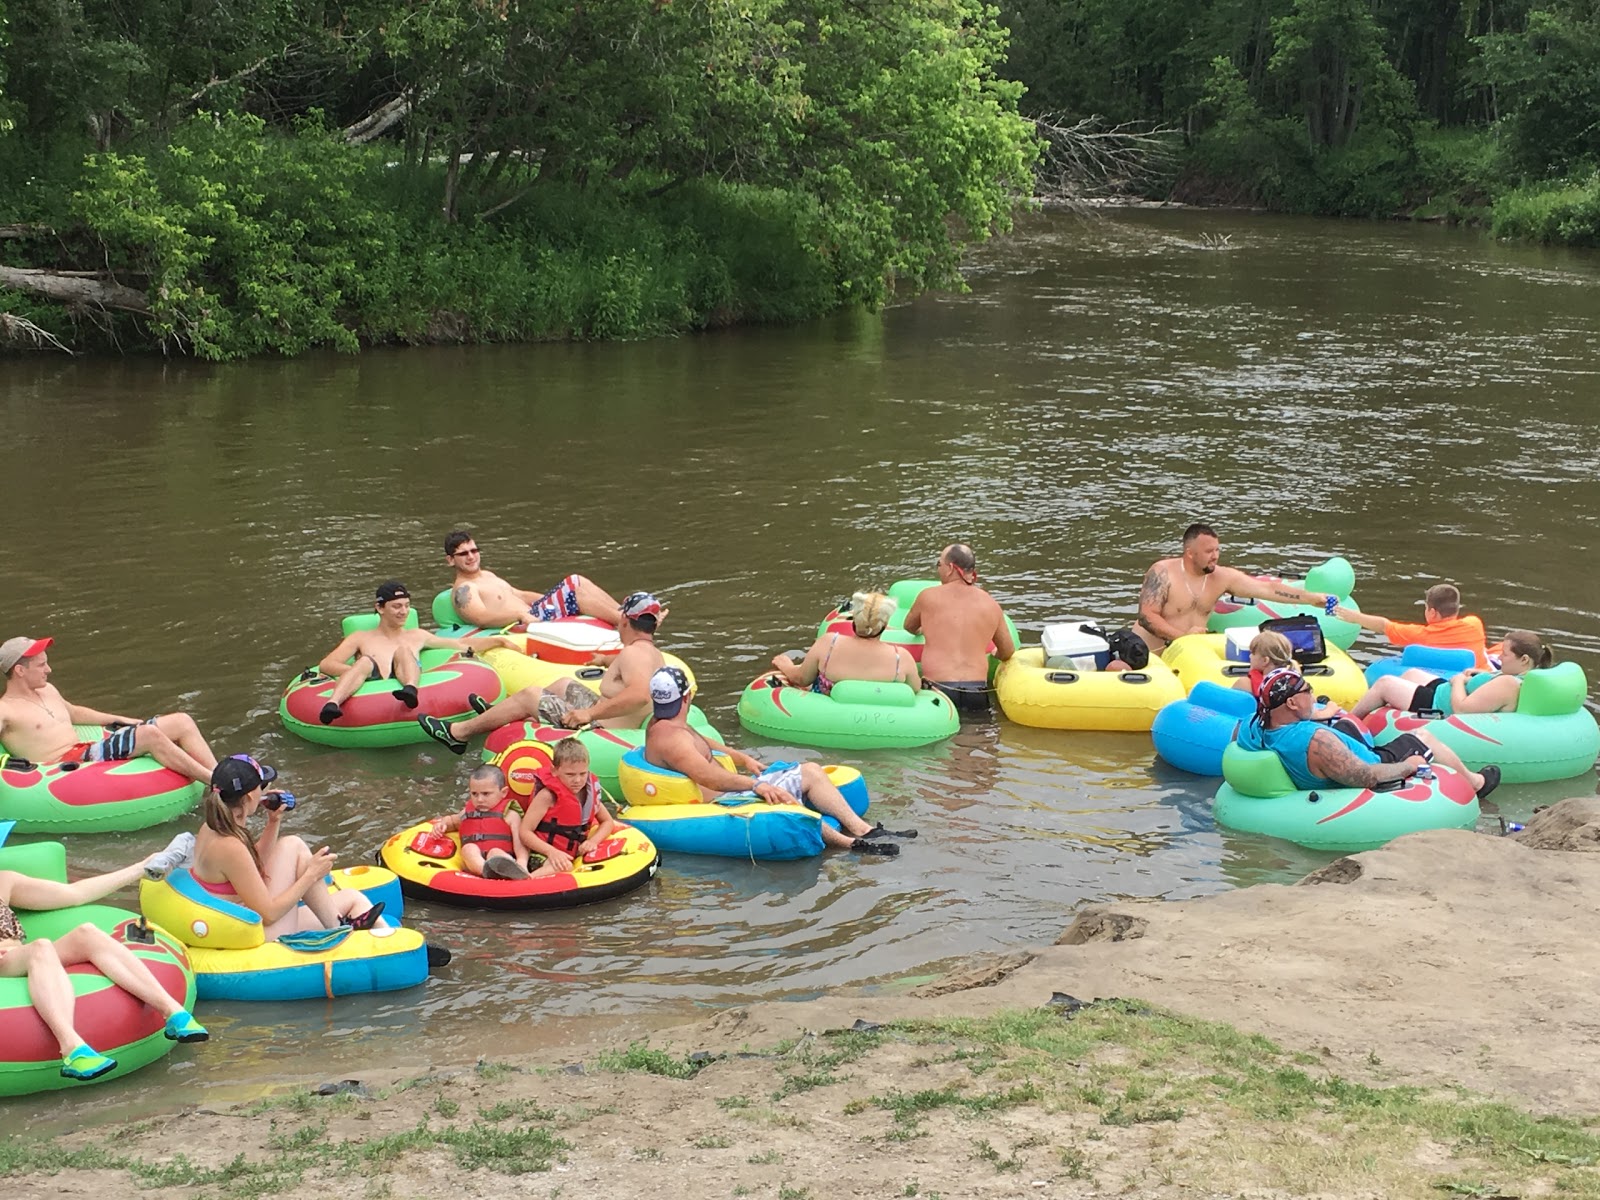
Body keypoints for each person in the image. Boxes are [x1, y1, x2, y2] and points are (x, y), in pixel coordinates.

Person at [0, 838, 209, 1081]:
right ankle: (71, 1048)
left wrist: (140, 867)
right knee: (41, 947)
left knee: (87, 933)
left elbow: (74, 894)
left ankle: (174, 1013)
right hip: (7, 963)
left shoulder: (5, 880)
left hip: (19, 954)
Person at [643, 667, 910, 855]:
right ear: (687, 696)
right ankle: (852, 845)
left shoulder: (666, 724)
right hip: (723, 799)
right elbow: (708, 776)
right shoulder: (672, 739)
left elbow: (703, 742)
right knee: (784, 799)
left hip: (731, 789)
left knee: (812, 772)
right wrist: (756, 785)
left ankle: (863, 830)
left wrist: (743, 757)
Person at [419, 591, 668, 754]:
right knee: (561, 685)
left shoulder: (634, 654)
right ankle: (502, 715)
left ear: (624, 620)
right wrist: (604, 659)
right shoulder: (648, 651)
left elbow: (640, 695)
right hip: (610, 720)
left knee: (531, 695)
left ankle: (457, 733)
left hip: (603, 730)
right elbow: (635, 672)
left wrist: (588, 713)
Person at [192, 755, 384, 940]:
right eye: (262, 787)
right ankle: (339, 930)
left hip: (241, 918)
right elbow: (269, 914)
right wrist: (311, 875)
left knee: (351, 897)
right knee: (294, 847)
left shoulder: (213, 826)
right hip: (255, 935)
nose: (265, 792)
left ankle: (338, 927)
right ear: (250, 797)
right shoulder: (230, 846)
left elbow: (250, 866)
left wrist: (273, 821)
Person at [1237, 668, 1501, 799]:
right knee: (1422, 737)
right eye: (1307, 691)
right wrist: (1408, 765)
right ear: (1292, 704)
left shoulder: (1253, 725)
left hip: (1328, 753)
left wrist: (1316, 716)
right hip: (1373, 764)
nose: (1313, 696)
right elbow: (1365, 776)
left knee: (1346, 723)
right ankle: (1476, 783)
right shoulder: (1317, 742)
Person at [0, 636, 218, 785]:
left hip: (88, 748)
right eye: (41, 665)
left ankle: (220, 773)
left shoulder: (48, 690)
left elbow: (74, 713)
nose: (49, 670)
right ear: (20, 670)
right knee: (150, 735)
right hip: (67, 765)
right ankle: (217, 784)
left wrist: (118, 718)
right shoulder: (6, 709)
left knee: (182, 721)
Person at [315, 581, 522, 725]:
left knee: (404, 651)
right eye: (396, 607)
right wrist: (358, 675)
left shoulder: (417, 635)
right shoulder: (360, 637)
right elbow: (327, 664)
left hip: (405, 677)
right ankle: (333, 704)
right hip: (370, 682)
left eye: (406, 606)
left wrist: (499, 640)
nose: (403, 612)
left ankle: (410, 690)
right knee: (365, 663)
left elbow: (459, 644)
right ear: (379, 608)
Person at [1134, 525, 1339, 656]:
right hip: (1150, 654)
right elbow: (1147, 615)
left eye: (1217, 550)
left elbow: (1267, 588)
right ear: (1190, 553)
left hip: (1188, 653)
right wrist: (1182, 637)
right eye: (1208, 551)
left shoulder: (1221, 577)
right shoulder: (1162, 572)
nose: (1215, 556)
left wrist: (1311, 598)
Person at [902, 545, 1014, 712]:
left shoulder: (928, 596)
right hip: (977, 691)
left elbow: (909, 626)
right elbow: (1007, 651)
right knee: (978, 736)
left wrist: (924, 630)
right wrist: (995, 654)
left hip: (938, 690)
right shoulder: (990, 603)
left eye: (938, 564)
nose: (938, 569)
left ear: (951, 568)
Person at [1346, 629, 1553, 720]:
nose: (1499, 658)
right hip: (1446, 692)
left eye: (1505, 655)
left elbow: (1461, 710)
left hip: (1439, 705)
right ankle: (1374, 710)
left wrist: (1458, 682)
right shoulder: (1518, 676)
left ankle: (1348, 721)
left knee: (1384, 683)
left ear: (1524, 659)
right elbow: (1492, 686)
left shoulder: (1509, 683)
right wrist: (1480, 674)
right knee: (1412, 673)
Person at [443, 530, 623, 628]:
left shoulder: (488, 575)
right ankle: (625, 623)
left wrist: (551, 599)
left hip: (535, 613)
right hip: (523, 624)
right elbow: (481, 618)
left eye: (474, 551)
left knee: (575, 581)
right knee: (574, 590)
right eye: (463, 554)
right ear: (451, 560)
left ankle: (623, 613)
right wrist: (520, 614)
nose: (471, 557)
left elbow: (520, 595)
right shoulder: (464, 589)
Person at [771, 591, 921, 694]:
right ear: (885, 624)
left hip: (827, 719)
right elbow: (915, 689)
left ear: (854, 619)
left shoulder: (828, 643)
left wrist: (786, 666)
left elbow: (802, 679)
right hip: (881, 724)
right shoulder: (901, 658)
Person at [518, 739, 620, 876]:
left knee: (568, 866)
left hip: (573, 855)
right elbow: (525, 831)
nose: (578, 780)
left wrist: (593, 841)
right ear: (555, 771)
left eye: (583, 774)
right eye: (570, 775)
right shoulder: (547, 796)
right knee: (564, 867)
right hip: (542, 854)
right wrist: (551, 852)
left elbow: (607, 822)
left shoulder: (589, 794)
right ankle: (524, 882)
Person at [1334, 583, 1491, 669]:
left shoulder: (1421, 635)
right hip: (1481, 679)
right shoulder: (1474, 623)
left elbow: (1384, 626)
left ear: (1433, 612)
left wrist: (1355, 617)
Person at [430, 765, 528, 880]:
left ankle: (511, 871)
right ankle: (486, 872)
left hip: (501, 858)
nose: (479, 799)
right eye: (474, 794)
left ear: (504, 792)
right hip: (475, 866)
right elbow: (452, 821)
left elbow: (521, 844)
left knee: (495, 852)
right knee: (468, 848)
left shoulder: (511, 815)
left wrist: (522, 862)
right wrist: (442, 825)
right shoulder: (466, 813)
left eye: (486, 794)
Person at [1231, 630, 1346, 721]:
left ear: (1265, 661)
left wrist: (1326, 713)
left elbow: (1228, 706)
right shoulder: (1296, 684)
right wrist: (1329, 710)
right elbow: (1310, 707)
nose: (1250, 657)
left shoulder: (1245, 683)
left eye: (1252, 653)